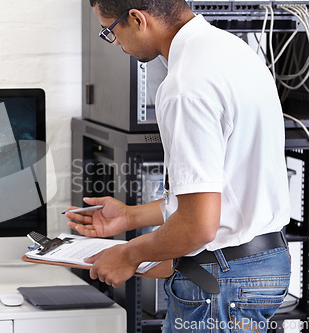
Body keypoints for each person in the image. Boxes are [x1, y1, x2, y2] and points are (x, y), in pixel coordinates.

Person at [67, 1, 291, 331]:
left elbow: (199, 224)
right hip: (262, 264)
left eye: (110, 31)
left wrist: (128, 254)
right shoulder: (234, 50)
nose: (115, 43)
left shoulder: (185, 85)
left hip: (222, 281)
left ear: (137, 19)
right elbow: (221, 195)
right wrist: (130, 216)